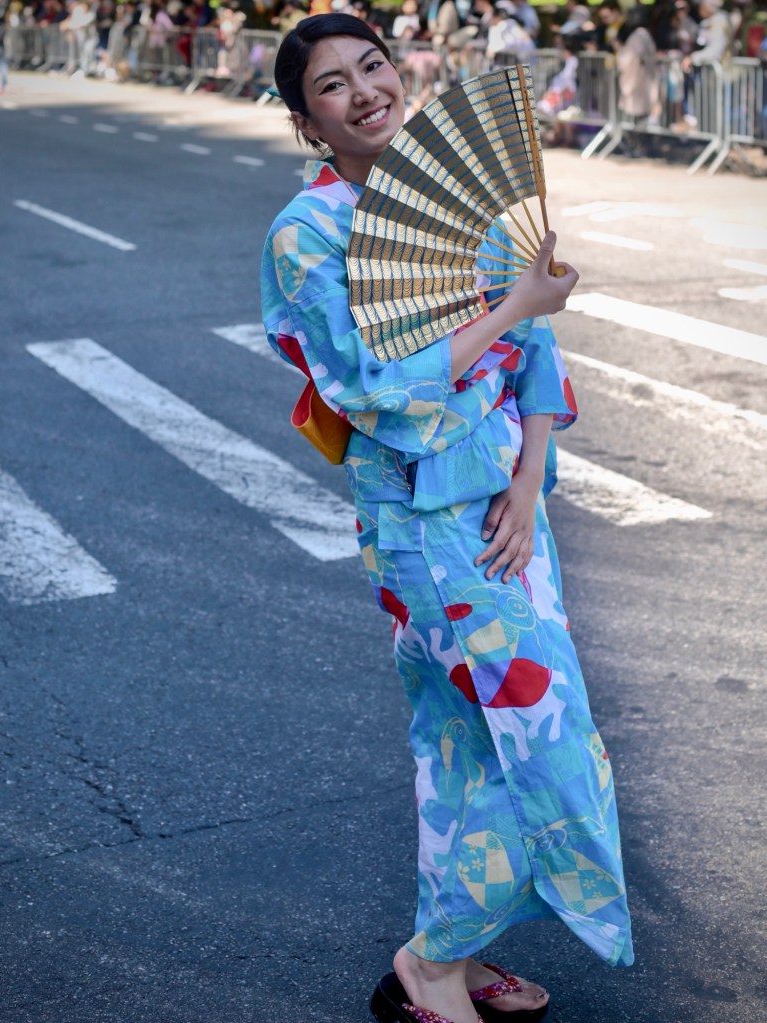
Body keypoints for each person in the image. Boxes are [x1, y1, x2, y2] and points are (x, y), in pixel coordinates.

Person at [260, 14, 634, 1023]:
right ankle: (433, 960)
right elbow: (369, 388)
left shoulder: (460, 196)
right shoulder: (306, 235)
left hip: (510, 511)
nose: (365, 91)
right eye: (332, 85)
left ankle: (451, 958)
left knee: (470, 746)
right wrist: (514, 306)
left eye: (373, 64)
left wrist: (530, 479)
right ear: (308, 123)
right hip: (423, 526)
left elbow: (537, 357)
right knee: (529, 737)